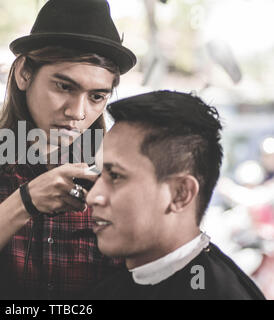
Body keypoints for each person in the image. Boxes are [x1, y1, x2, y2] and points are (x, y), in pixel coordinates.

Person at [0, 0, 137, 299]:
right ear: (23, 74)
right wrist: (24, 203)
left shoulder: (116, 182)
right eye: (64, 87)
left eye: (96, 96)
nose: (77, 111)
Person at [85, 90, 266, 300]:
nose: (93, 197)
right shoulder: (116, 285)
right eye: (100, 174)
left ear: (181, 194)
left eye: (115, 176)